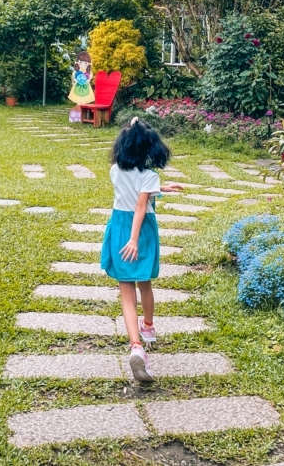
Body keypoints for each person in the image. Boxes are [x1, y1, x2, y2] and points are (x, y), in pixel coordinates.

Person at [101, 117, 183, 381]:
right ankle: (148, 327)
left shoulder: (115, 169)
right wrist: (135, 240)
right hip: (140, 231)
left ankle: (136, 346)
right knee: (144, 284)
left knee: (126, 291)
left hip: (118, 228)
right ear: (150, 148)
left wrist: (162, 188)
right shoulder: (149, 175)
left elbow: (136, 192)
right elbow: (140, 205)